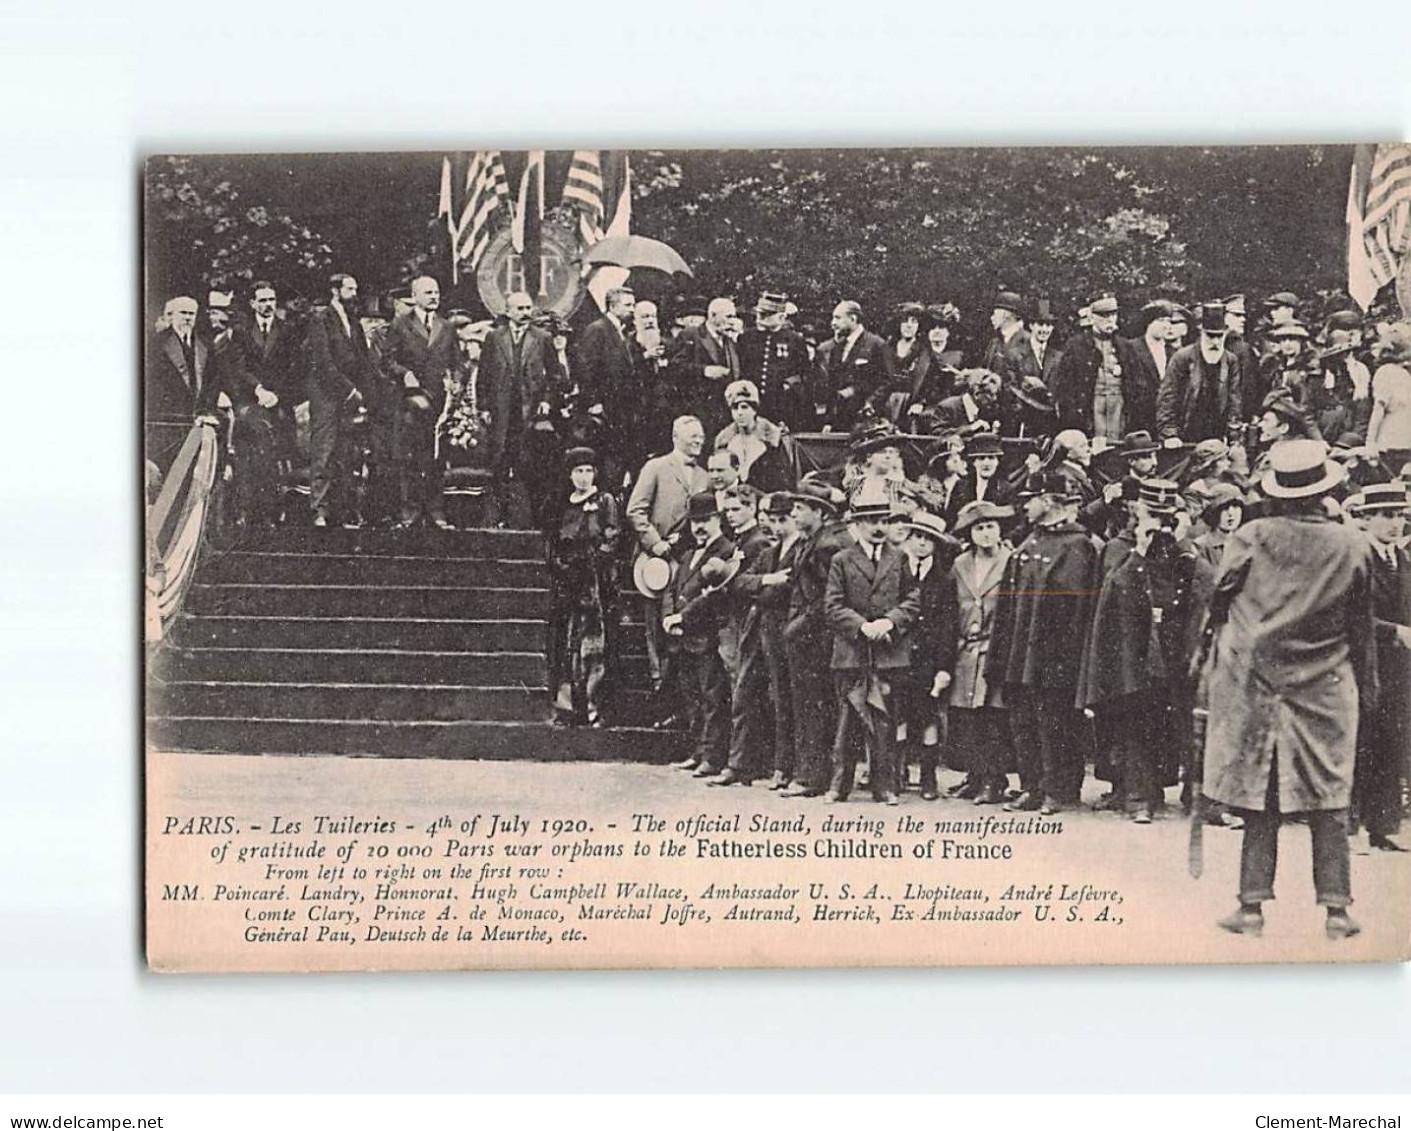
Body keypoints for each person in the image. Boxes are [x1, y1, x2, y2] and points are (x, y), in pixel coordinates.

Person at [1202, 439, 1378, 940]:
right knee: (1329, 798)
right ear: (1326, 489)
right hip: (1328, 688)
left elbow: (1219, 600)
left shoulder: (1251, 536)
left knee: (1262, 797)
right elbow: (1362, 627)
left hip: (1259, 687)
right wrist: (1368, 688)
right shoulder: (1353, 543)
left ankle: (1251, 908)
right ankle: (1337, 912)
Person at [1081, 480, 1213, 823]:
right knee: (1137, 719)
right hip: (1133, 647)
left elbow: (1203, 582)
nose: (1157, 522)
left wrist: (1182, 541)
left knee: (1171, 719)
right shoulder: (1119, 547)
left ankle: (1166, 790)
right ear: (1135, 510)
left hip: (1172, 643)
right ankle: (1137, 797)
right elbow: (1115, 590)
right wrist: (1139, 551)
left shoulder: (1180, 548)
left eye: (1164, 514)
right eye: (1151, 513)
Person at [989, 469, 1102, 815]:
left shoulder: (1078, 545)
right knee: (1023, 720)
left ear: (1050, 502)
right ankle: (1032, 786)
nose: (1025, 507)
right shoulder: (1030, 543)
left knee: (1054, 722)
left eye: (1031, 501)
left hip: (1055, 658)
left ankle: (1059, 788)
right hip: (1021, 654)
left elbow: (1076, 609)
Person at [823, 480, 921, 804]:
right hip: (852, 652)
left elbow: (912, 599)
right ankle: (840, 784)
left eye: (883, 521)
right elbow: (833, 606)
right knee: (848, 720)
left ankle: (885, 785)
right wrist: (862, 627)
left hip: (889, 652)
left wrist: (889, 621)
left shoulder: (900, 558)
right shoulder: (842, 559)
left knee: (885, 721)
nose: (879, 527)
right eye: (872, 521)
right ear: (857, 524)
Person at [931, 500, 1017, 806]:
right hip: (966, 650)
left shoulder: (1011, 561)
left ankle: (995, 781)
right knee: (967, 717)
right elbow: (950, 613)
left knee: (992, 717)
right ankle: (975, 776)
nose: (986, 534)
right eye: (979, 528)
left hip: (995, 649)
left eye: (991, 527)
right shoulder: (960, 565)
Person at [1345, 483, 1410, 853]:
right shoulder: (1356, 559)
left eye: (1400, 515)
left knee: (1394, 740)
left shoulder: (1403, 560)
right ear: (1366, 519)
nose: (1395, 523)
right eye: (1387, 515)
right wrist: (1394, 632)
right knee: (1360, 744)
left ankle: (1383, 825)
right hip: (1363, 665)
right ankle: (1350, 828)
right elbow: (1347, 616)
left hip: (1399, 668)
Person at [625, 416, 710, 701]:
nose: (699, 440)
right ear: (676, 438)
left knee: (681, 625)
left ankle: (677, 696)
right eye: (692, 436)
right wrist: (656, 544)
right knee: (656, 628)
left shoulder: (705, 475)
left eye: (701, 436)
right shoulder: (656, 467)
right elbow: (635, 511)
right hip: (658, 562)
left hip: (689, 562)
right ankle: (658, 687)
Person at [781, 480, 851, 798]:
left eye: (800, 508)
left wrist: (797, 626)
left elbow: (826, 600)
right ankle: (808, 773)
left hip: (816, 640)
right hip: (806, 637)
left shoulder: (826, 547)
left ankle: (813, 777)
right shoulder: (813, 541)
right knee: (807, 705)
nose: (794, 513)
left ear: (820, 513)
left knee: (814, 706)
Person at [662, 492, 738, 778]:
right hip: (683, 637)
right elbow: (671, 591)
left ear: (718, 519)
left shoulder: (726, 551)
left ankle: (712, 756)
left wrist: (681, 617)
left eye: (706, 520)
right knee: (691, 697)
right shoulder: (687, 555)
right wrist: (670, 619)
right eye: (695, 522)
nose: (700, 527)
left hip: (706, 637)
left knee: (712, 699)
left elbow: (711, 597)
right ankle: (696, 752)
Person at [378, 274, 458, 529]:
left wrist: (455, 380)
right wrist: (405, 374)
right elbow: (387, 362)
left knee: (435, 459)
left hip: (439, 404)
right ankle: (409, 513)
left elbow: (458, 364)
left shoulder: (447, 327)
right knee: (409, 459)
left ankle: (436, 512)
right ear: (414, 297)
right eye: (428, 293)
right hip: (410, 403)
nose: (434, 297)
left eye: (436, 292)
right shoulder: (401, 325)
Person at [547, 448, 620, 728]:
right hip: (568, 582)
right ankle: (566, 707)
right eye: (578, 471)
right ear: (570, 474)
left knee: (595, 645)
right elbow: (553, 539)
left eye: (589, 471)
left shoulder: (604, 501)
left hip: (595, 582)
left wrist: (596, 561)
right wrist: (560, 565)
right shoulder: (563, 504)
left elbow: (612, 535)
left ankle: (595, 707)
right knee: (566, 644)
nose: (584, 477)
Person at [737, 492, 805, 790]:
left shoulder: (802, 550)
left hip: (792, 631)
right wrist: (768, 579)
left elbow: (787, 591)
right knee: (778, 699)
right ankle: (780, 766)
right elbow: (741, 582)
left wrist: (765, 589)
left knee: (795, 700)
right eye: (774, 520)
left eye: (784, 520)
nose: (777, 527)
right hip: (769, 634)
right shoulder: (769, 554)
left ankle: (793, 767)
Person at [711, 485, 776, 787]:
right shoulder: (740, 541)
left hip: (751, 621)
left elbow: (744, 584)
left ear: (752, 508)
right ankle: (744, 763)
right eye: (727, 511)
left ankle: (741, 764)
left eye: (737, 509)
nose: (731, 515)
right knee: (742, 692)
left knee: (745, 693)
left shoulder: (758, 542)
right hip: (737, 622)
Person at [304, 273, 378, 527]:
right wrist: (348, 390)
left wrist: (366, 393)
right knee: (324, 450)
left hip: (350, 396)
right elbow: (323, 361)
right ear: (335, 291)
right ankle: (319, 511)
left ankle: (345, 510)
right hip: (326, 394)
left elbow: (363, 360)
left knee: (348, 453)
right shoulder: (320, 319)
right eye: (349, 289)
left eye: (355, 288)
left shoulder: (353, 319)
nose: (354, 293)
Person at [896, 510, 959, 799]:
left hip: (929, 659)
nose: (921, 544)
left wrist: (944, 667)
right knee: (898, 715)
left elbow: (949, 626)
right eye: (916, 537)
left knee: (928, 717)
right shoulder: (895, 570)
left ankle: (928, 777)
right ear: (907, 539)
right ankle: (896, 772)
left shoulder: (944, 579)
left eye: (928, 540)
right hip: (898, 656)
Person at [1052, 293, 1153, 442]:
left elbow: (1138, 385)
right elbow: (1065, 389)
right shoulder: (1075, 346)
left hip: (1119, 408)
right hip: (1091, 407)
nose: (1110, 319)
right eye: (1104, 315)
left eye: (1113, 315)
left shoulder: (1125, 347)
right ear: (1092, 317)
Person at [481, 291, 554, 495]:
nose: (525, 313)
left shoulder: (542, 337)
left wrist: (546, 400)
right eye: (520, 309)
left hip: (530, 408)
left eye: (528, 308)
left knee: (527, 458)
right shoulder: (494, 337)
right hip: (501, 408)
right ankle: (499, 512)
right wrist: (484, 407)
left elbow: (554, 375)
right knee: (500, 459)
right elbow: (484, 375)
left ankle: (525, 514)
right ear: (507, 311)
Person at [1156, 302, 1245, 444]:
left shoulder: (1230, 361)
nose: (1215, 342)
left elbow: (1234, 401)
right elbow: (1167, 398)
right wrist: (1169, 434)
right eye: (1210, 336)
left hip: (1216, 436)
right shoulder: (1182, 358)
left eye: (1219, 336)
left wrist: (1233, 436)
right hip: (1184, 434)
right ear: (1201, 333)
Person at [576, 287, 638, 482]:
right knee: (607, 460)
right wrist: (593, 402)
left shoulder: (621, 332)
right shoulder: (598, 329)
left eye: (633, 305)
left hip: (620, 408)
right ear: (612, 306)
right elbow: (586, 369)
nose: (632, 309)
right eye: (628, 305)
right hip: (605, 408)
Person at [736, 290, 811, 431]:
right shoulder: (746, 338)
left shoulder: (794, 340)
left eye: (767, 314)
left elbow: (805, 373)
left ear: (782, 317)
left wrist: (791, 384)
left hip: (782, 407)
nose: (760, 317)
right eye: (759, 313)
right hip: (753, 406)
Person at [815, 300, 893, 430]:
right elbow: (833, 386)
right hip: (840, 421)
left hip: (867, 421)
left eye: (838, 318)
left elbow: (888, 381)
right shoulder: (837, 347)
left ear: (853, 319)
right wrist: (829, 421)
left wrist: (870, 403)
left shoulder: (876, 344)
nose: (833, 323)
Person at [669, 296, 742, 435]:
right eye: (729, 316)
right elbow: (674, 367)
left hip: (725, 411)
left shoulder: (729, 339)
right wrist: (704, 370)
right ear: (713, 316)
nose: (732, 321)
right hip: (700, 410)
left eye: (734, 316)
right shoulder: (690, 335)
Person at [147, 295, 218, 424]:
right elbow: (154, 381)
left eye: (191, 314)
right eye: (183, 313)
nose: (187, 317)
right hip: (170, 414)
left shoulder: (206, 344)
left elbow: (212, 380)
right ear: (172, 315)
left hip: (201, 414)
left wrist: (205, 410)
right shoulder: (156, 343)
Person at [713, 379, 792, 491]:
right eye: (735, 408)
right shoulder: (724, 442)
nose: (739, 413)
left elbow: (784, 481)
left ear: (754, 410)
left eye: (744, 407)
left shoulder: (772, 441)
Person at [1367, 323, 1411, 474]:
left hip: (1399, 441)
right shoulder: (1387, 372)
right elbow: (1378, 409)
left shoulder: (1396, 372)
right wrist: (1370, 442)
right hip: (1393, 442)